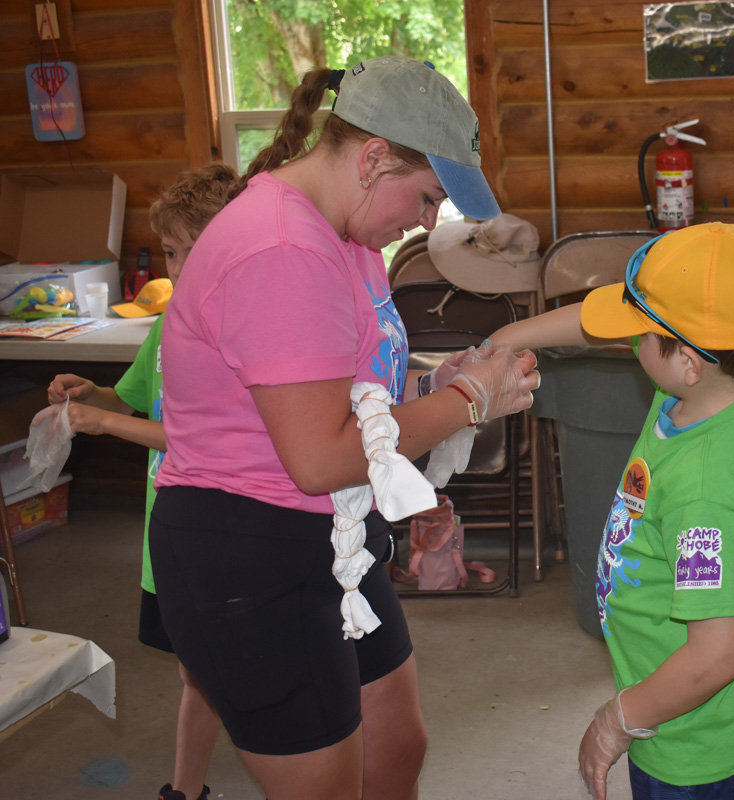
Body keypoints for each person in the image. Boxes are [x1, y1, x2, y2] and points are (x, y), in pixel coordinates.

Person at [147, 57, 539, 800]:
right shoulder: (283, 248)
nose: (427, 223)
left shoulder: (348, 240)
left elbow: (354, 399)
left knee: (395, 751)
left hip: (332, 538)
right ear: (372, 159)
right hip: (249, 549)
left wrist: (434, 386)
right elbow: (322, 457)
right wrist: (469, 402)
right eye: (427, 197)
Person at [492, 222, 734, 799]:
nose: (631, 338)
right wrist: (505, 340)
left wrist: (617, 721)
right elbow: (593, 324)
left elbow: (715, 657)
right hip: (688, 712)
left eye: (643, 331)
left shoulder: (703, 496)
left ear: (689, 361)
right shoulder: (716, 390)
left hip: (693, 740)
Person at [44, 162, 239, 800]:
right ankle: (187, 789)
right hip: (168, 535)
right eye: (169, 253)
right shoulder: (167, 323)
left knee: (221, 672)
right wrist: (93, 394)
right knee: (197, 674)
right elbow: (136, 401)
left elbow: (195, 436)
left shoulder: (232, 333)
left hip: (217, 531)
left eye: (184, 251)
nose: (174, 268)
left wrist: (103, 423)